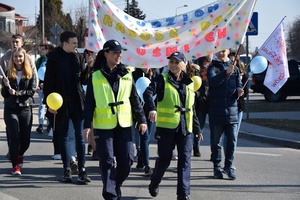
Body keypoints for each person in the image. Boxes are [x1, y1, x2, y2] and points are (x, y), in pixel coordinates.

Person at [82, 39, 147, 200]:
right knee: (107, 161)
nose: (119, 55)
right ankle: (110, 194)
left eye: (120, 52)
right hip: (103, 126)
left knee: (127, 161)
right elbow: (89, 102)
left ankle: (115, 184)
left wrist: (142, 119)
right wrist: (86, 125)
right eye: (115, 52)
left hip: (124, 125)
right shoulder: (95, 76)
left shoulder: (127, 74)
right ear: (106, 54)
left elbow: (135, 99)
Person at [144, 52, 202, 200]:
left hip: (185, 128)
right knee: (164, 159)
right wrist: (152, 108)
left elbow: (191, 107)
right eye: (171, 62)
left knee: (185, 160)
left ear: (183, 64)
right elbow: (148, 92)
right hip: (166, 128)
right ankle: (154, 183)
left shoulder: (189, 82)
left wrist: (197, 128)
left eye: (177, 62)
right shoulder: (161, 79)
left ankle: (183, 194)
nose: (173, 65)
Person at [43, 31, 91, 184]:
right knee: (63, 137)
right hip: (60, 104)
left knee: (80, 137)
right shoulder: (54, 58)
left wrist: (88, 68)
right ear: (65, 44)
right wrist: (49, 105)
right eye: (74, 43)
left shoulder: (78, 57)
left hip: (77, 102)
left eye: (77, 42)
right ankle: (66, 169)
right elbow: (48, 84)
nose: (77, 45)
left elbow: (82, 81)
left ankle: (82, 170)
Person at [206, 49, 244, 180]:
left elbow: (238, 83)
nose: (221, 53)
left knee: (232, 141)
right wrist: (225, 73)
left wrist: (239, 90)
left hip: (232, 110)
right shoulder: (212, 66)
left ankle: (228, 165)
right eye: (219, 51)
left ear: (228, 51)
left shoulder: (235, 68)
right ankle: (216, 167)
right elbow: (212, 82)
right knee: (216, 142)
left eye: (224, 51)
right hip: (216, 111)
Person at [0, 34, 38, 160]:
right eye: (12, 42)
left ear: (21, 43)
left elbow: (33, 77)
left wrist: (22, 92)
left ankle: (17, 152)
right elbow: (3, 81)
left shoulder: (28, 60)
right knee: (13, 133)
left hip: (25, 104)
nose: (14, 44)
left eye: (17, 42)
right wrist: (4, 85)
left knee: (24, 137)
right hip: (10, 104)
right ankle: (14, 156)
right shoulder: (5, 58)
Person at [222, 51, 249, 169]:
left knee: (234, 135)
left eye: (234, 60)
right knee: (226, 136)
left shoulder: (242, 74)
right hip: (226, 107)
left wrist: (241, 88)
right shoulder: (224, 73)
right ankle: (225, 158)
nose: (232, 62)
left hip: (238, 108)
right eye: (230, 60)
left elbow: (246, 93)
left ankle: (230, 161)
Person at [132, 67, 157, 176]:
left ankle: (141, 159)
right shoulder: (134, 75)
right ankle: (147, 165)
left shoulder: (155, 76)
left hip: (151, 111)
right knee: (144, 136)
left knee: (147, 139)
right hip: (139, 112)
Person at [192, 55, 212, 157]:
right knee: (200, 123)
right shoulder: (198, 62)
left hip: (213, 98)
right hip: (200, 98)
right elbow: (194, 80)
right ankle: (196, 145)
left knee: (210, 125)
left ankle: (214, 151)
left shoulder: (215, 63)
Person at [35, 44, 54, 134]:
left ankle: (49, 123)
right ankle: (41, 124)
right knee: (42, 105)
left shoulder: (54, 59)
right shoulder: (40, 61)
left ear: (47, 50)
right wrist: (38, 85)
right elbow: (37, 73)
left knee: (51, 105)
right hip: (42, 86)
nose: (41, 51)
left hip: (51, 87)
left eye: (43, 49)